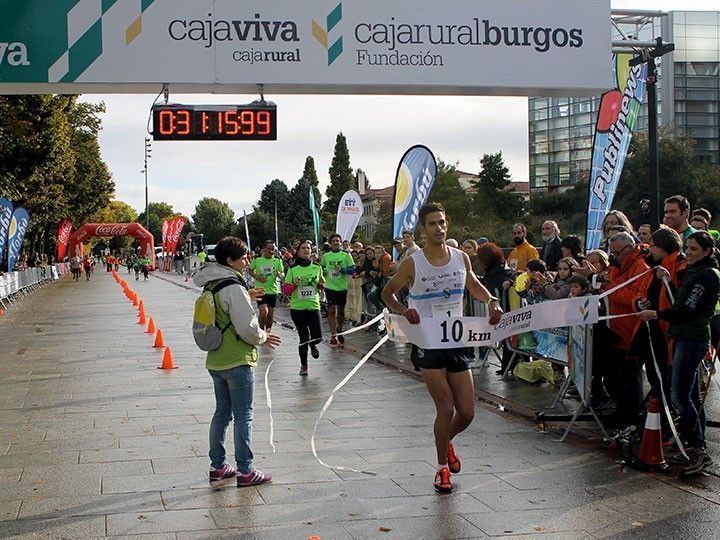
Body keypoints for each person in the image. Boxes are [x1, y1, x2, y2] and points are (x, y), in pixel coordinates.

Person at [381, 203, 503, 494]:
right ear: (423, 230)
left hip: (456, 340)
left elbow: (472, 284)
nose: (439, 228)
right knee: (445, 407)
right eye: (433, 224)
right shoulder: (414, 262)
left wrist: (491, 301)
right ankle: (441, 469)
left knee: (468, 412)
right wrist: (403, 310)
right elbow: (387, 293)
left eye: (442, 223)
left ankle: (445, 441)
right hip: (428, 343)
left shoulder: (461, 257)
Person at [193, 236, 281, 488]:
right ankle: (246, 470)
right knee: (244, 414)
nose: (247, 261)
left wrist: (246, 295)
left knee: (222, 413)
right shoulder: (233, 285)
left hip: (216, 359)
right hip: (237, 358)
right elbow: (247, 328)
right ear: (230, 260)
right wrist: (263, 336)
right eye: (243, 257)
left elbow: (224, 309)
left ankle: (218, 466)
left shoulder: (213, 283)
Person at [639, 231, 720, 476]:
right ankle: (694, 442)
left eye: (694, 249)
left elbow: (686, 310)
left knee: (679, 396)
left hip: (691, 338)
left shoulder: (706, 276)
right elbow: (681, 299)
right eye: (688, 248)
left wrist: (657, 315)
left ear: (707, 251)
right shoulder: (694, 272)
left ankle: (697, 446)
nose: (689, 253)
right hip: (684, 336)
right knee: (690, 396)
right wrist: (669, 280)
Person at [283, 240, 324, 376]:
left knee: (317, 337)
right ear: (298, 251)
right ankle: (304, 365)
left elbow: (321, 284)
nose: (306, 250)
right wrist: (294, 284)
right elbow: (286, 290)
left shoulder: (317, 268)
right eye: (303, 248)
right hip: (298, 309)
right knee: (303, 338)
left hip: (314, 306)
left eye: (308, 248)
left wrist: (321, 285)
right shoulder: (293, 269)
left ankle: (313, 344)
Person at [320, 234, 355, 347]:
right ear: (330, 243)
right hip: (330, 287)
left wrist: (343, 269)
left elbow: (352, 269)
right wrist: (324, 271)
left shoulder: (346, 255)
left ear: (340, 243)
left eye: (338, 241)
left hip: (342, 287)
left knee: (340, 311)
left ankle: (340, 329)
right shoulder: (326, 255)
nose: (336, 242)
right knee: (332, 311)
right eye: (334, 241)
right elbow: (321, 268)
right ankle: (333, 334)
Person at [249, 240, 284, 332]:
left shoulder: (277, 260)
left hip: (272, 290)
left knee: (270, 314)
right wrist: (257, 277)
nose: (271, 251)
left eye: (273, 249)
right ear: (264, 249)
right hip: (260, 290)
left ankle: (268, 332)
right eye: (268, 249)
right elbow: (250, 270)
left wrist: (280, 274)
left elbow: (282, 272)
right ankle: (260, 331)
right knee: (264, 311)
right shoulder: (257, 259)